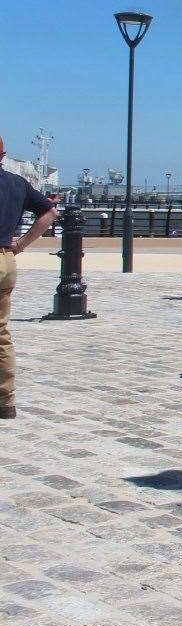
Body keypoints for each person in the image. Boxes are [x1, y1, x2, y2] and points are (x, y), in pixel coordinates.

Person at [0, 135, 60, 420]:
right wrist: (21, 244)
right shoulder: (16, 183)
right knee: (1, 334)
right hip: (6, 261)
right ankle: (5, 401)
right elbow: (50, 212)